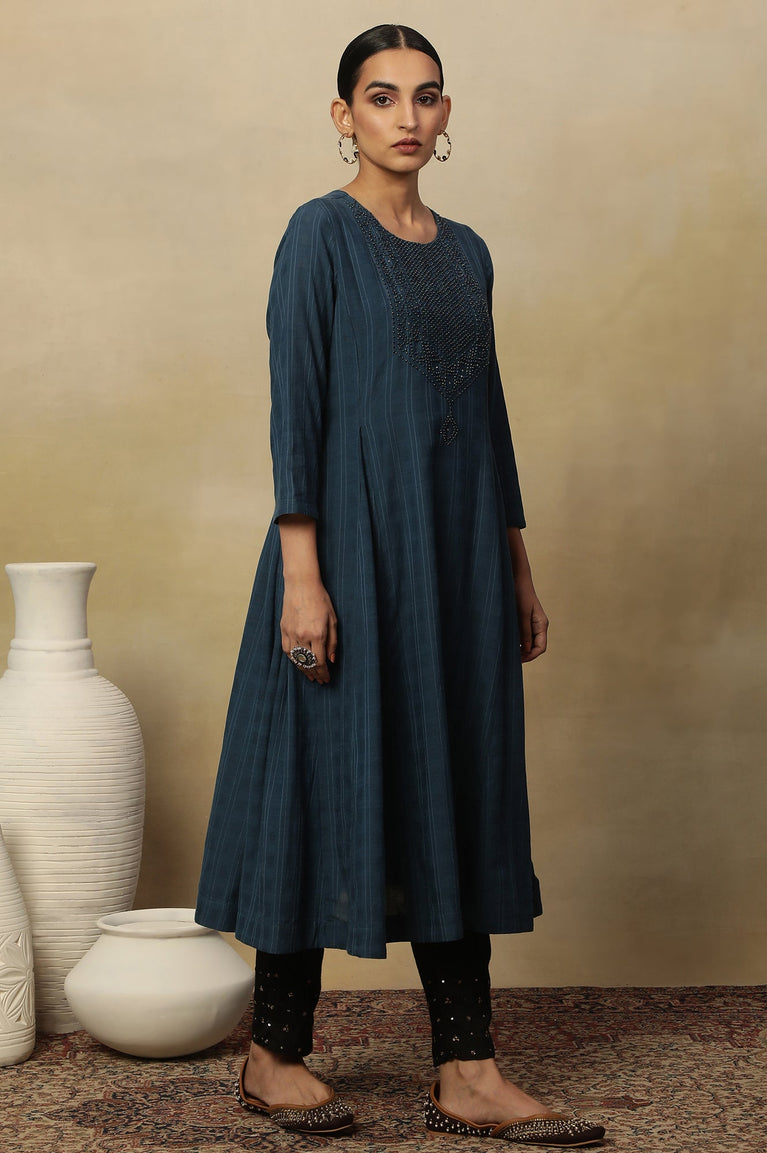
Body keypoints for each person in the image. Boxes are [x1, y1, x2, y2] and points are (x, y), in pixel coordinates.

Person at [196, 24, 605, 1147]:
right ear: (344, 117)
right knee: (321, 777)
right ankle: (274, 1053)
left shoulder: (467, 251)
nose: (406, 118)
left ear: (445, 113)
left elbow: (489, 418)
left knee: (455, 779)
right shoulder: (318, 235)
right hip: (350, 555)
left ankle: (466, 1068)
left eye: (425, 97)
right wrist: (303, 578)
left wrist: (514, 565)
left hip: (458, 557)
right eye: (381, 98)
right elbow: (296, 408)